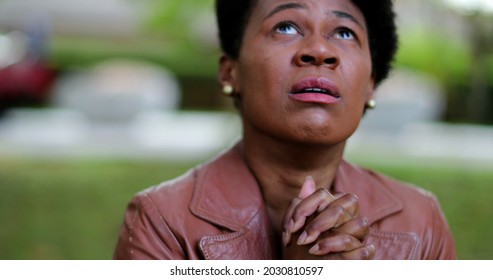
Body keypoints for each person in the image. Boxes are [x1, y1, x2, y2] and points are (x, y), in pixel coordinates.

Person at [113, 0, 456, 260]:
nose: (320, 51)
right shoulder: (161, 222)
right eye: (286, 27)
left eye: (344, 32)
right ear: (230, 72)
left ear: (370, 84)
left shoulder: (421, 221)